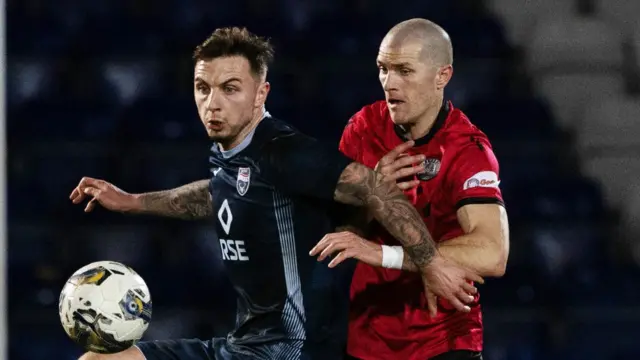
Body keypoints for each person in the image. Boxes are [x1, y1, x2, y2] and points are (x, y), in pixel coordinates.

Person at [69, 27, 481, 360]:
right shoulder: (234, 155)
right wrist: (133, 201)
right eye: (202, 88)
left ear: (260, 94)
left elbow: (376, 189)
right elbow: (217, 193)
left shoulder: (283, 151)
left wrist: (429, 263)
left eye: (230, 89)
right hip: (242, 345)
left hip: (291, 350)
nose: (213, 103)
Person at [310, 19, 510, 360]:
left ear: (442, 76)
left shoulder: (467, 150)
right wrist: (373, 195)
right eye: (383, 69)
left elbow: (493, 253)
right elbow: (337, 236)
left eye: (404, 70)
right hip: (369, 336)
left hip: (445, 339)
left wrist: (389, 256)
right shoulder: (362, 129)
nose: (390, 83)